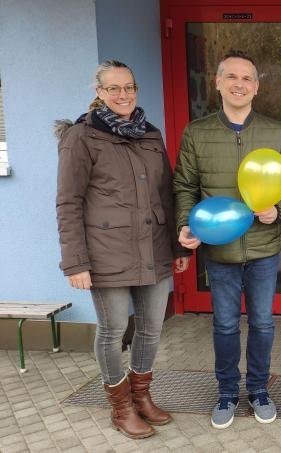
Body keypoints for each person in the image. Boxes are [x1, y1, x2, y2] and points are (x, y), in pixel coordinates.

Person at [55, 60, 190, 439]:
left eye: (129, 87)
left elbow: (166, 193)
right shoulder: (81, 137)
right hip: (105, 252)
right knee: (113, 329)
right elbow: (68, 202)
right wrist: (75, 263)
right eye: (113, 88)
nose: (123, 95)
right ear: (99, 92)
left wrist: (178, 246)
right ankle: (120, 405)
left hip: (153, 249)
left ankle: (142, 396)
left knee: (151, 328)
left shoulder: (150, 133)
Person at [173, 50, 281, 429]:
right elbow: (184, 186)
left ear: (257, 87)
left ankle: (260, 389)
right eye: (231, 77)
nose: (239, 84)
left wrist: (278, 210)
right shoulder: (197, 132)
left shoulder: (275, 131)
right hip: (220, 249)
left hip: (264, 248)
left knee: (262, 323)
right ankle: (227, 392)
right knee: (226, 325)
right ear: (217, 82)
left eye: (247, 78)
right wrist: (186, 224)